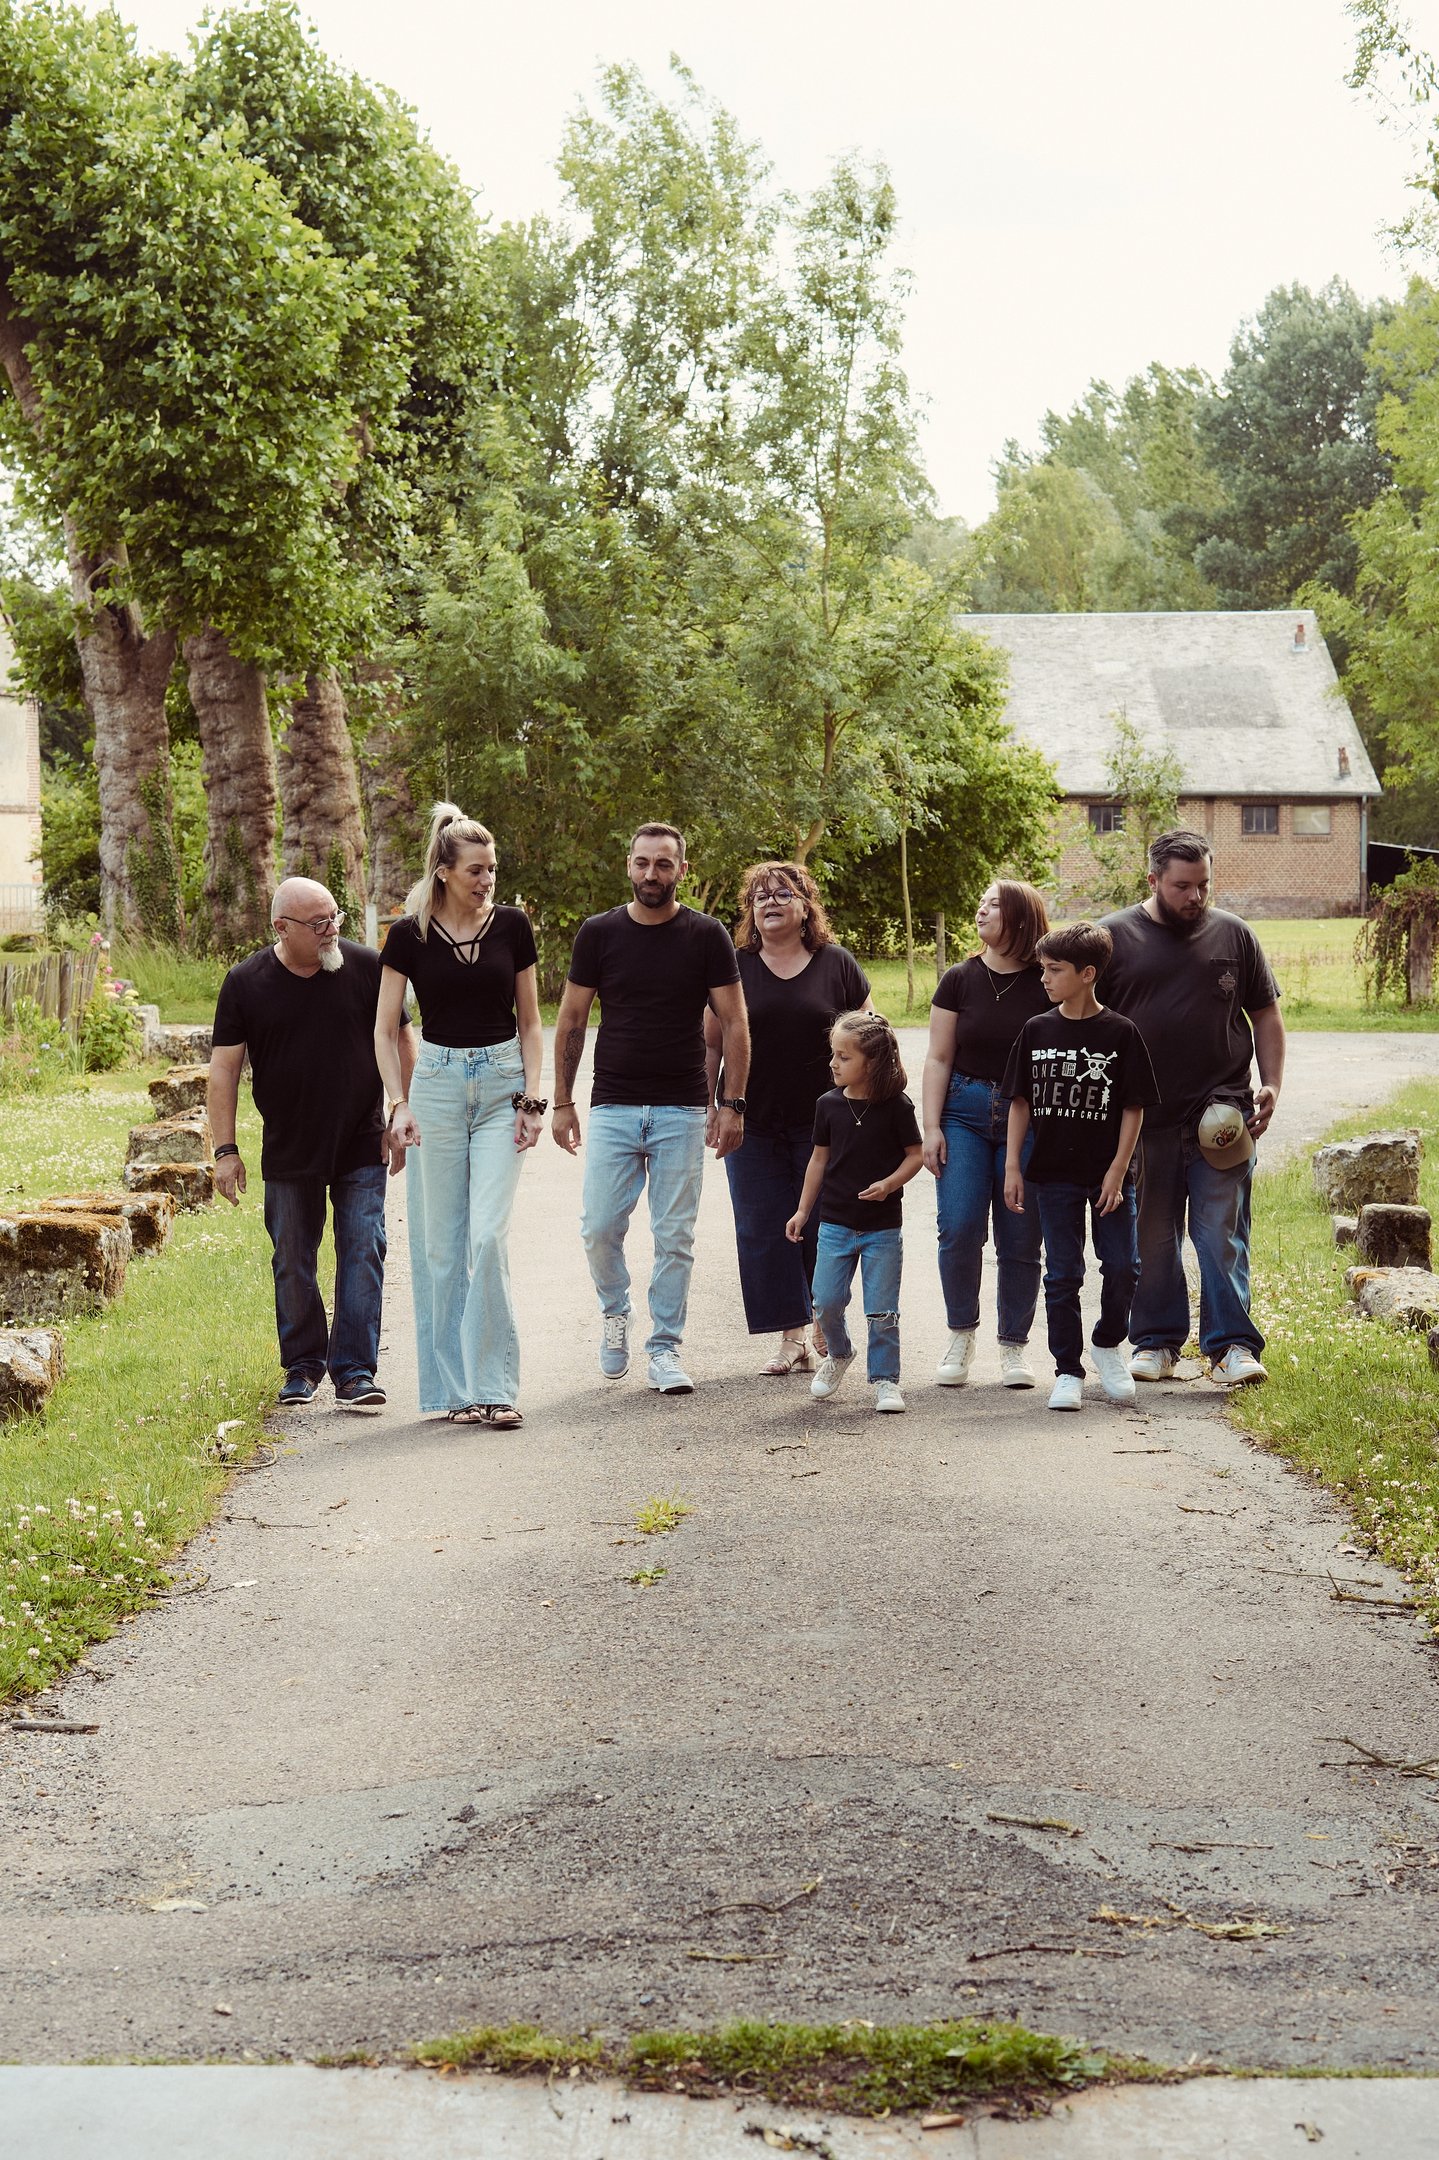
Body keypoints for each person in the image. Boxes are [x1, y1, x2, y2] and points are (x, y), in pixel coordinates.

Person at [551, 823, 750, 1395]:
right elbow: (571, 1020)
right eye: (642, 863)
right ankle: (616, 1311)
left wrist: (730, 1102)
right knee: (599, 1228)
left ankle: (665, 1347)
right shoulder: (599, 933)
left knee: (675, 1236)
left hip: (682, 1107)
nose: (651, 875)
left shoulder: (707, 935)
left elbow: (735, 1022)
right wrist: (562, 1102)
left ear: (681, 871)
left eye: (663, 865)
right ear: (628, 865)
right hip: (612, 1102)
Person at [209, 878, 413, 1413]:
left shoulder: (368, 967)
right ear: (282, 928)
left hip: (360, 1138)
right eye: (318, 923)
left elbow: (402, 1040)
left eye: (334, 917)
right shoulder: (245, 982)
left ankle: (354, 1371)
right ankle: (303, 1365)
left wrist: (401, 1110)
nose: (331, 931)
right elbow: (225, 1069)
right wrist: (224, 1150)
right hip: (289, 1147)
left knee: (364, 1248)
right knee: (293, 1258)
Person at [376, 805, 545, 1429]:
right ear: (443, 871)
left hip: (502, 1083)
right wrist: (400, 1102)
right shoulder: (407, 934)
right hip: (439, 1085)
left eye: (492, 870)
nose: (487, 880)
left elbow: (531, 1023)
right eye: (476, 870)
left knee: (488, 1234)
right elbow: (384, 1028)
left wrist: (532, 1099)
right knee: (442, 1247)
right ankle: (454, 1392)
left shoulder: (513, 927)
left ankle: (496, 1386)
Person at [1099, 830, 1285, 1388]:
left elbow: (1266, 1016)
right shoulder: (1111, 938)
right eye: (1183, 886)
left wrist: (1272, 1083)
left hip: (1222, 1114)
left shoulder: (1236, 935)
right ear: (1152, 880)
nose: (1195, 896)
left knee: (1220, 1233)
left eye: (1203, 884)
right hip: (1143, 1118)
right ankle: (1155, 1342)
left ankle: (1231, 1347)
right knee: (1152, 1236)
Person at [704, 861, 869, 1375]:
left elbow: (869, 1038)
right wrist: (710, 1107)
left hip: (826, 1123)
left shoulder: (836, 964)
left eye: (782, 893)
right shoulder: (733, 965)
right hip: (750, 1119)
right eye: (759, 896)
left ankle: (824, 1316)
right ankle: (790, 1335)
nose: (770, 902)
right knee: (762, 1226)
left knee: (823, 1223)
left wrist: (867, 1107)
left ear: (805, 906)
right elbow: (710, 1042)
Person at [1002, 922, 1160, 1412]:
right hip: (1051, 1176)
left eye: (1055, 970)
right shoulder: (1036, 1029)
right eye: (1043, 969)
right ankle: (1067, 1369)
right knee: (1063, 1274)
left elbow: (1134, 1106)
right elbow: (1020, 1103)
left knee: (1123, 1266)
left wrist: (1117, 1170)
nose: (1044, 979)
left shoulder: (1121, 1032)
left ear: (1088, 973)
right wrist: (1012, 1165)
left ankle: (1108, 1344)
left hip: (1108, 1177)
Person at [921, 879, 1052, 1390]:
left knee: (1021, 1234)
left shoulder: (1048, 979)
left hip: (1030, 1116)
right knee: (958, 1227)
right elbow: (937, 1056)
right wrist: (931, 1127)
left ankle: (1013, 1346)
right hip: (964, 1113)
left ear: (1019, 917)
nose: (981, 909)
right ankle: (961, 1334)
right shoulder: (959, 978)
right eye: (981, 901)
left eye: (993, 904)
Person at [786, 1011, 924, 1415]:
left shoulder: (897, 1106)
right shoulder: (827, 1106)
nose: (833, 1063)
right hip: (835, 1224)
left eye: (844, 1057)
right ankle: (839, 1352)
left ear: (874, 1062)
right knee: (826, 1300)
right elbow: (817, 1161)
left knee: (882, 1309)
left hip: (882, 1228)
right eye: (833, 1054)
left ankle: (885, 1380)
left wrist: (890, 1184)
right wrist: (802, 1211)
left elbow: (915, 1156)